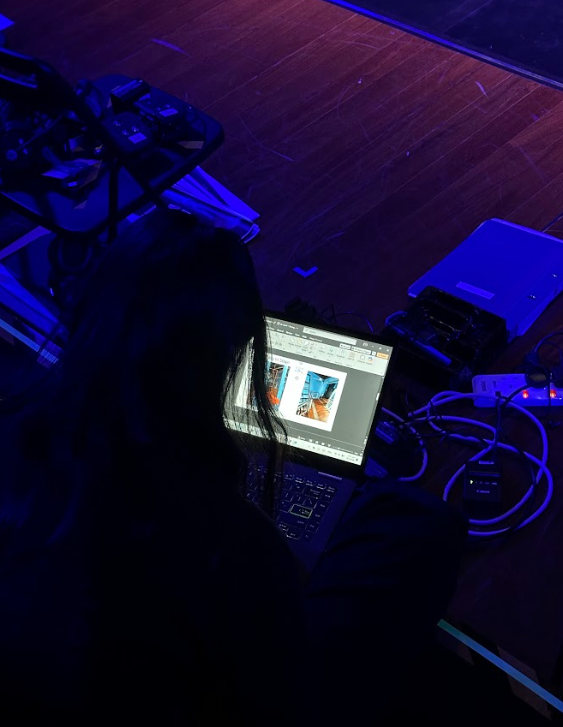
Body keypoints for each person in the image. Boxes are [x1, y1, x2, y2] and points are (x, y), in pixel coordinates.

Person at [0, 209, 466, 725]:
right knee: (418, 521)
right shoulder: (221, 535)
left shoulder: (19, 438)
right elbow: (277, 678)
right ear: (225, 359)